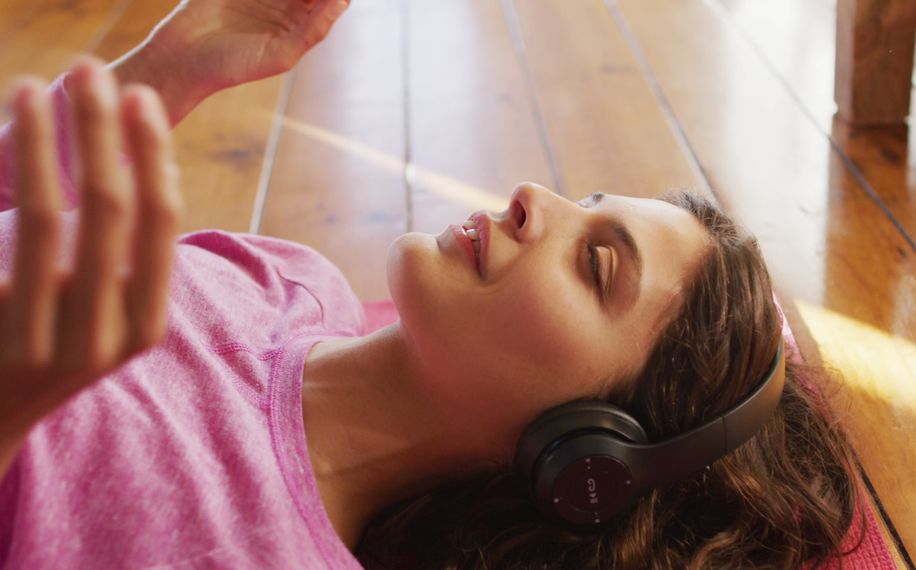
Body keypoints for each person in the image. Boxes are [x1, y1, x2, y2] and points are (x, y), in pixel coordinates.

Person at [0, 0, 865, 568]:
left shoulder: (252, 550)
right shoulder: (293, 286)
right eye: (584, 202)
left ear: (584, 451)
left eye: (596, 262)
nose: (535, 201)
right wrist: (170, 67)